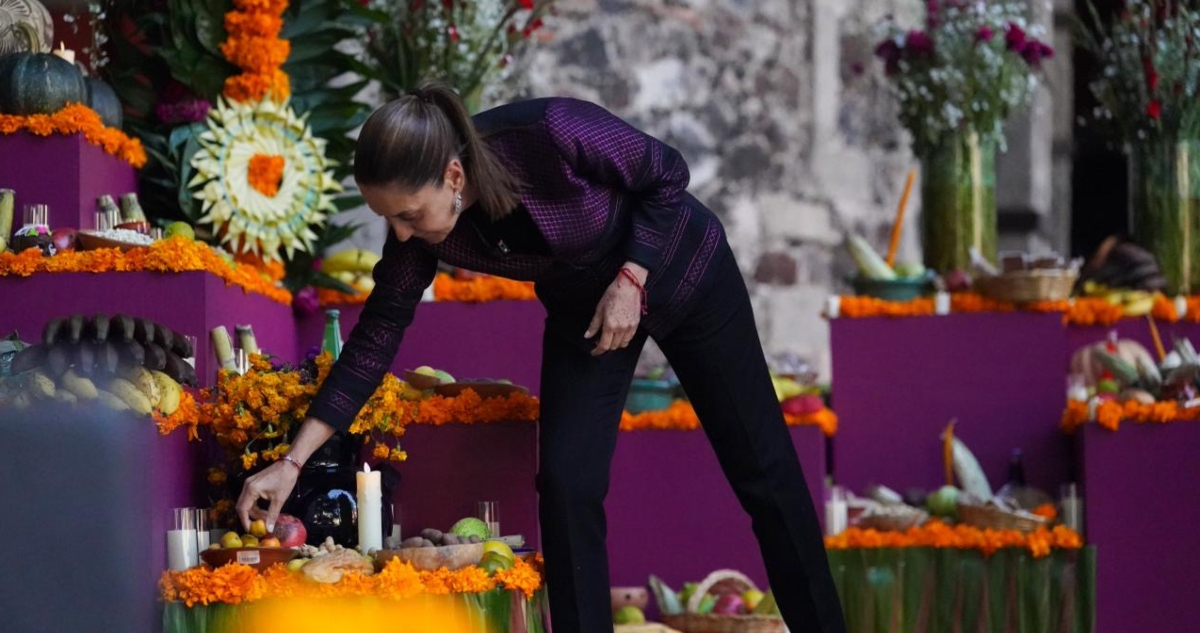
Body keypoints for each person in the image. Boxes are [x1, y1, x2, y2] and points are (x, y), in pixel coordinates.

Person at [236, 82, 846, 633]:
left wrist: (632, 279)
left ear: (452, 176)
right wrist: (292, 462)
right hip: (587, 316)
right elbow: (375, 339)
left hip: (685, 274)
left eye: (406, 214)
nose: (399, 233)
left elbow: (668, 171)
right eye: (385, 218)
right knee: (566, 482)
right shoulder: (423, 233)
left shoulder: (550, 131)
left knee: (763, 471)